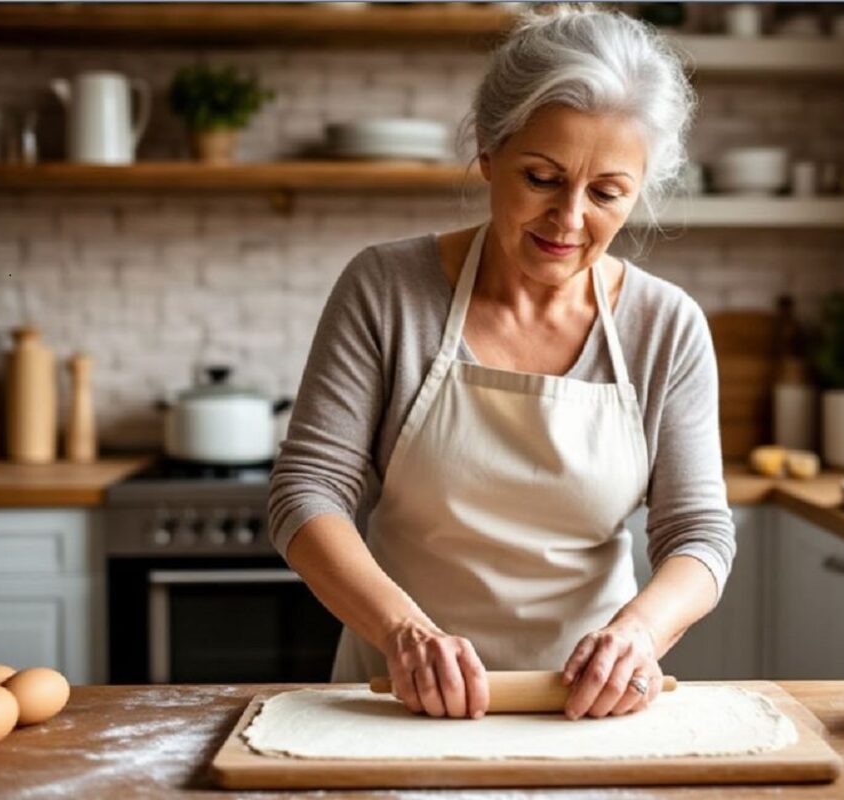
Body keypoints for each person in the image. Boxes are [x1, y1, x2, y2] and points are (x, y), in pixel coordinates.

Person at [268, 7, 735, 722]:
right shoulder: (387, 289)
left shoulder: (665, 326)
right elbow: (307, 490)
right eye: (542, 178)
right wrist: (403, 633)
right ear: (488, 152)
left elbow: (699, 533)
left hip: (585, 710)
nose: (569, 219)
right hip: (398, 699)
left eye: (607, 193)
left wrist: (640, 635)